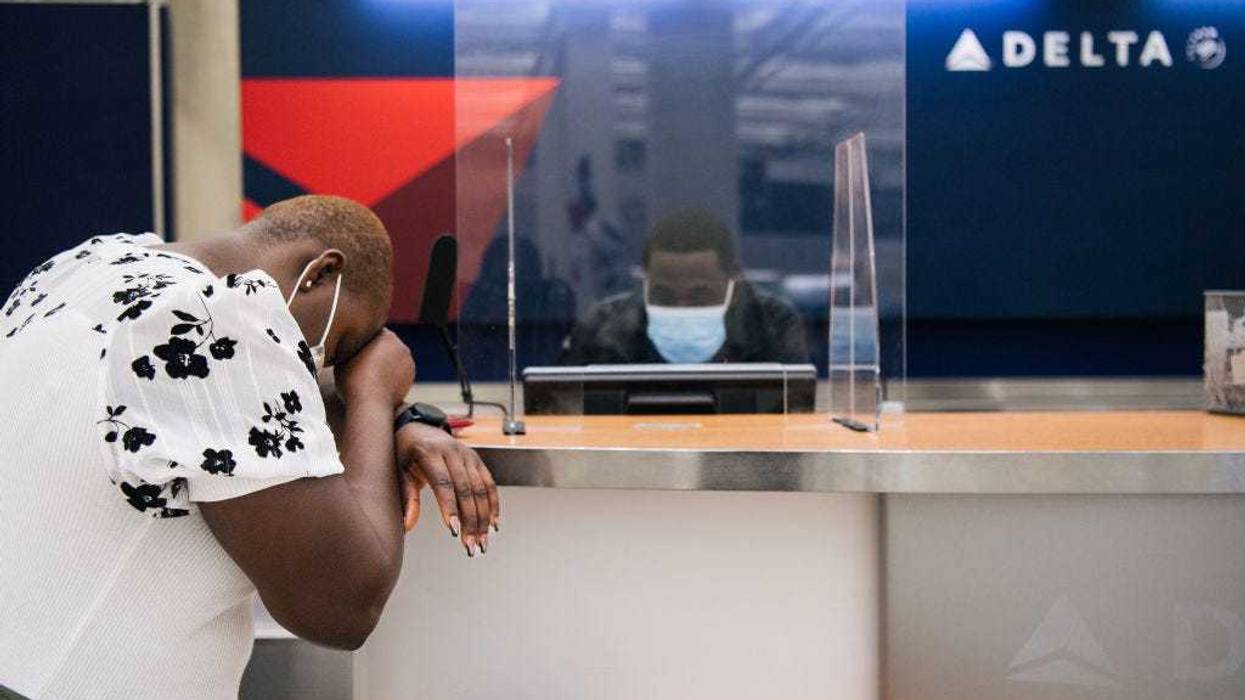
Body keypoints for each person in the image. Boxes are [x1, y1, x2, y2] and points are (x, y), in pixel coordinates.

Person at [0, 196, 498, 699]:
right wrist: (372, 393)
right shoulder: (216, 325)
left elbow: (276, 409)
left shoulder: (82, 268)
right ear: (320, 274)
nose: (320, 368)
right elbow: (342, 606)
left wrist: (400, 418)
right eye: (340, 348)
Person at [559, 209, 809, 365]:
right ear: (645, 281)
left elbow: (794, 416)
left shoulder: (772, 323)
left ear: (734, 280)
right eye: (664, 296)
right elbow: (561, 413)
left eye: (700, 296)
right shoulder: (603, 327)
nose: (682, 308)